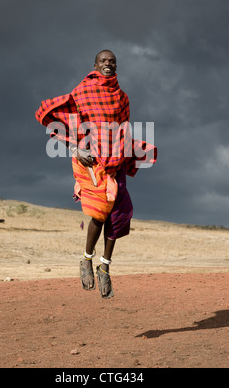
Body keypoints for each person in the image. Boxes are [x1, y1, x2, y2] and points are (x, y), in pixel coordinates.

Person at [35, 50, 157, 298]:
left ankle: (105, 267)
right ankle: (86, 260)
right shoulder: (83, 91)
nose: (108, 64)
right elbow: (64, 119)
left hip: (116, 161)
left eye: (112, 61)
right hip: (90, 161)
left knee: (120, 215)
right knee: (100, 213)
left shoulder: (122, 98)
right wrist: (75, 148)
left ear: (116, 66)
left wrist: (129, 153)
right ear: (95, 65)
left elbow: (123, 130)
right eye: (103, 61)